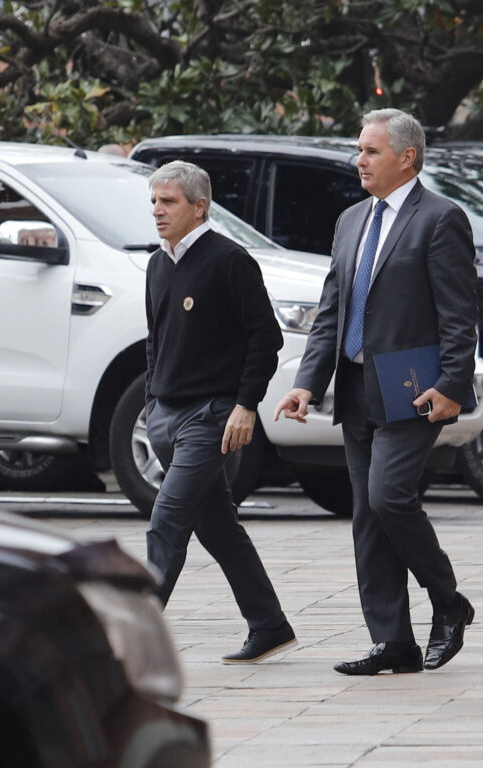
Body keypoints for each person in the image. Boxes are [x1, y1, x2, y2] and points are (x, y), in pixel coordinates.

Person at [274, 109, 477, 675]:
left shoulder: (440, 218)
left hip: (413, 389)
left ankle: (448, 601)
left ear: (406, 158)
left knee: (389, 497)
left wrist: (451, 385)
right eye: (358, 149)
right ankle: (393, 642)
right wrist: (306, 384)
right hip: (355, 388)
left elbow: (460, 314)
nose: (357, 160)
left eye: (370, 151)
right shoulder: (350, 220)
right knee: (367, 514)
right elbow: (331, 312)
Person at [145, 160, 296, 664]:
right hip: (166, 416)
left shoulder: (230, 261)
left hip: (211, 417)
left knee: (166, 522)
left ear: (199, 207)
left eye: (168, 202)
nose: (158, 211)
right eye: (154, 202)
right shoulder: (157, 264)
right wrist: (151, 403)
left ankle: (133, 641)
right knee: (217, 528)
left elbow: (266, 339)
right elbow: (156, 342)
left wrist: (245, 405)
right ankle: (270, 624)